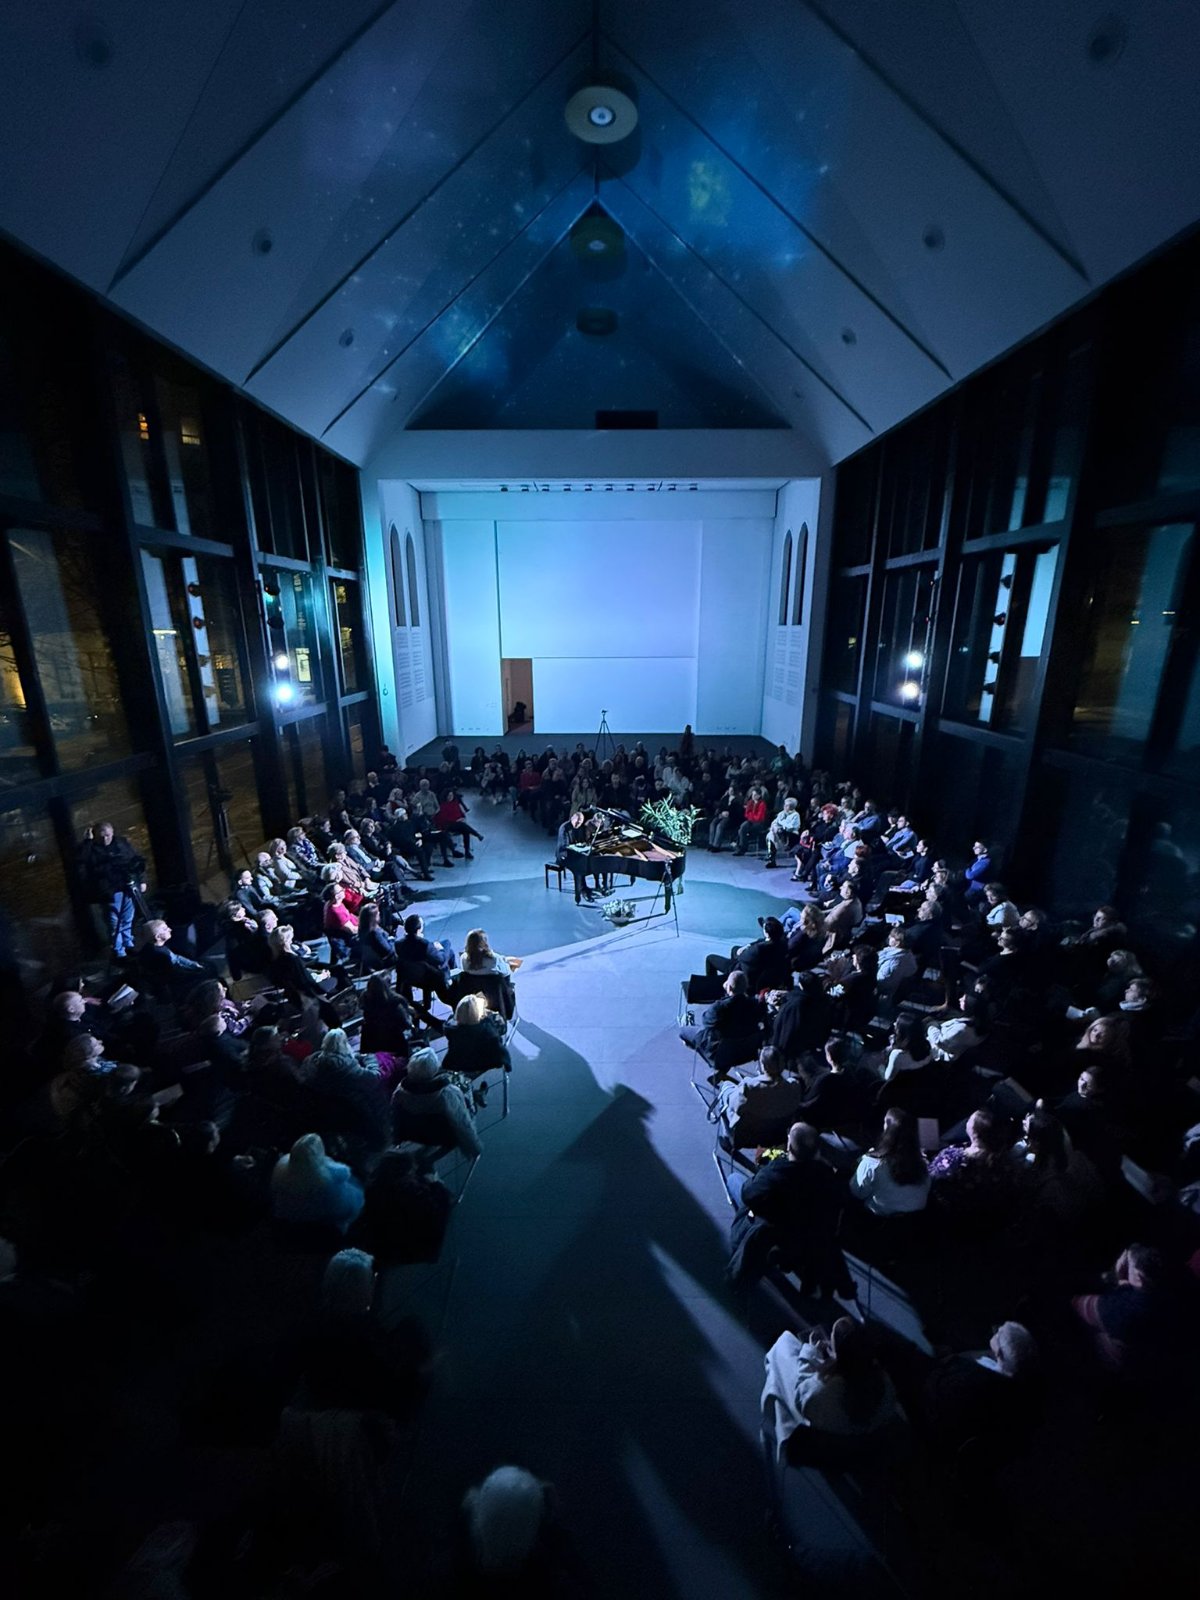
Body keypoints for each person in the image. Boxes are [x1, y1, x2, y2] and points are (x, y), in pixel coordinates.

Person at [727, 1121, 857, 1298]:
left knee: (734, 1180)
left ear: (789, 1145)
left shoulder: (776, 1171)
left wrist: (761, 1174)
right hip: (803, 1235)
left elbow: (748, 1194)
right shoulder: (827, 1175)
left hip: (769, 1230)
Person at [762, 1317, 901, 1451]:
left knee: (783, 1343)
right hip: (863, 1441)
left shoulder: (822, 1392)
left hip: (824, 1437)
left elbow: (801, 1395)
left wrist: (810, 1353)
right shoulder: (885, 1383)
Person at [77, 821, 146, 959]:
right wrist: (88, 842)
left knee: (127, 918)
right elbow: (81, 860)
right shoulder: (91, 849)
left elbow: (135, 860)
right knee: (114, 922)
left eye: (107, 835)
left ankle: (128, 943)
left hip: (126, 886)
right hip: (109, 890)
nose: (105, 839)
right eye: (101, 837)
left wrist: (142, 880)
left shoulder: (121, 843)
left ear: (112, 832)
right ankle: (119, 950)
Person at [271, 1132, 364, 1232]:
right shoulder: (327, 1183)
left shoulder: (281, 1167)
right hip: (322, 1223)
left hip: (292, 1220)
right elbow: (348, 1206)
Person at [718, 1046, 807, 1148]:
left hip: (747, 1138)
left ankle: (728, 1140)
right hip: (776, 1136)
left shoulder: (749, 1087)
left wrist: (726, 1090)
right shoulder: (794, 1086)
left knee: (726, 1090)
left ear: (763, 1066)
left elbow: (734, 1105)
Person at [850, 1108, 931, 1215]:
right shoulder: (923, 1163)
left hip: (880, 1220)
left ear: (887, 1128)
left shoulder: (873, 1163)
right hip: (916, 1221)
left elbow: (858, 1193)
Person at [679, 968, 765, 1056]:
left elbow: (705, 1021)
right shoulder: (754, 1005)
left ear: (729, 987)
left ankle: (699, 1046)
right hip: (745, 1052)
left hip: (721, 1054)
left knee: (684, 1031)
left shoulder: (719, 1007)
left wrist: (727, 993)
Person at [444, 992, 512, 1079]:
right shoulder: (489, 1032)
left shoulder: (452, 1031)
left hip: (459, 1065)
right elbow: (502, 1051)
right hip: (483, 1064)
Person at [764, 796, 803, 868]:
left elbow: (790, 827)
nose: (784, 806)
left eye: (787, 805)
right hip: (779, 834)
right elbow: (774, 823)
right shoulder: (781, 813)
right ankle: (771, 859)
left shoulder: (796, 815)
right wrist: (776, 827)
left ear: (792, 807)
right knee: (770, 835)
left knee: (776, 833)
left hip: (790, 835)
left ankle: (772, 856)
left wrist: (781, 823)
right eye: (784, 805)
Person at [733, 787, 768, 854]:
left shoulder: (762, 804)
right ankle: (741, 847)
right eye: (752, 795)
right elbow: (746, 814)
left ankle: (741, 847)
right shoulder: (750, 802)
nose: (753, 796)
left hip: (759, 823)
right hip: (750, 822)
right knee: (742, 828)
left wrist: (751, 815)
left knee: (742, 829)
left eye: (755, 795)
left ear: (759, 795)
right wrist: (752, 815)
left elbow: (759, 818)